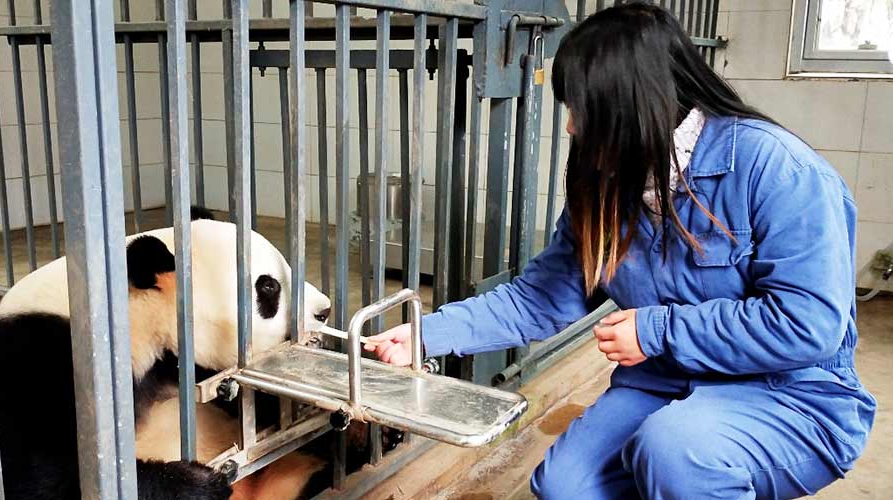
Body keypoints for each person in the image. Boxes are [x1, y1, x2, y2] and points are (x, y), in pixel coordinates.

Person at [365, 4, 874, 499]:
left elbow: (807, 324)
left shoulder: (779, 170)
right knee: (565, 488)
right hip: (663, 384)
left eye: (582, 110)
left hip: (788, 394)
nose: (570, 127)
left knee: (676, 453)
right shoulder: (610, 181)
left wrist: (655, 331)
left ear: (635, 103)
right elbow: (539, 299)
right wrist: (426, 335)